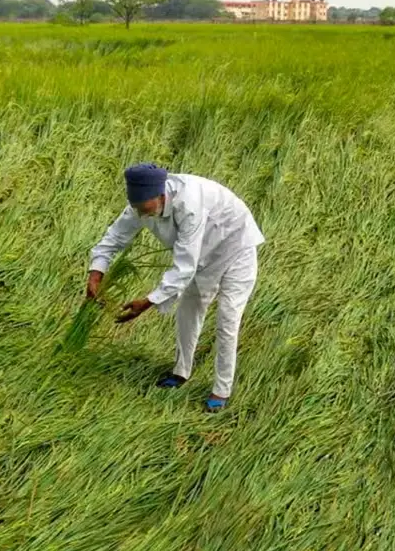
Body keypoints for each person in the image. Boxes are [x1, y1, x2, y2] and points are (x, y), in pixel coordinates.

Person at [86, 163, 264, 410]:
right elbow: (113, 239)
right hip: (201, 255)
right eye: (137, 208)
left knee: (228, 320)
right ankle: (181, 372)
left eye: (145, 207)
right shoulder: (139, 207)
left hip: (236, 248)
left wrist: (148, 302)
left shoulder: (189, 203)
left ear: (161, 195)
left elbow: (184, 266)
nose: (142, 213)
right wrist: (95, 274)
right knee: (187, 312)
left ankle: (221, 391)